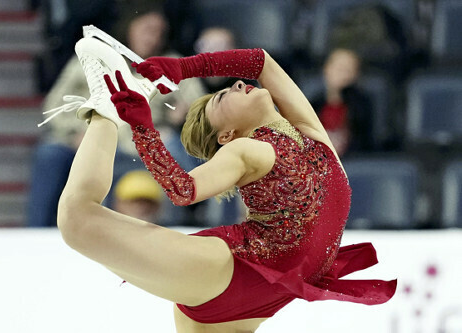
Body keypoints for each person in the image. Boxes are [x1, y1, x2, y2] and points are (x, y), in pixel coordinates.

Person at [55, 33, 396, 332]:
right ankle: (104, 114)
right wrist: (142, 126)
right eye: (222, 98)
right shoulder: (248, 150)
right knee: (75, 218)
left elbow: (259, 62)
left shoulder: (311, 135)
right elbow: (183, 191)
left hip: (257, 292)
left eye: (229, 86)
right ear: (227, 135)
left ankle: (105, 113)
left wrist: (183, 68)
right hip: (232, 272)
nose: (236, 84)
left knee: (76, 218)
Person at [27, 7, 205, 227]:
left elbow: (200, 111)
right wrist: (78, 131)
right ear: (129, 27)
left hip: (143, 146)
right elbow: (54, 105)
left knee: (179, 151)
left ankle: (176, 228)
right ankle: (36, 231)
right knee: (49, 154)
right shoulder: (93, 58)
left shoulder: (171, 64)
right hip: (92, 139)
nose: (153, 37)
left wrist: (181, 118)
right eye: (147, 29)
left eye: (159, 32)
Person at [310, 48, 374, 156]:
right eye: (339, 69)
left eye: (348, 70)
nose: (342, 75)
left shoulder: (362, 106)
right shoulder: (314, 103)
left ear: (356, 75)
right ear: (326, 69)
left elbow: (365, 141)